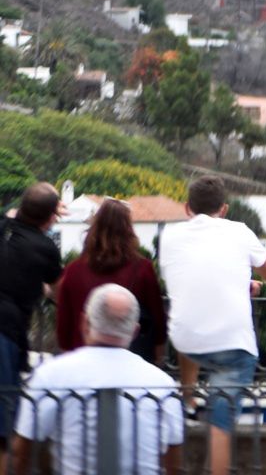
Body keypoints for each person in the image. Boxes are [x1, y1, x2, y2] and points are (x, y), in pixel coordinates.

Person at [158, 174, 266, 475]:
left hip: (185, 341)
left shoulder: (169, 235)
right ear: (223, 209)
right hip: (232, 347)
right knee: (220, 422)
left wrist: (240, 282)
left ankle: (188, 397)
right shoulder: (238, 231)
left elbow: (195, 276)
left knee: (191, 322)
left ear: (187, 207)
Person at [12, 283, 182, 475]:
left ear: (85, 322)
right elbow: (173, 459)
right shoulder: (162, 383)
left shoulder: (51, 375)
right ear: (134, 331)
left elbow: (21, 453)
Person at [0, 183, 62, 475]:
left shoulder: (3, 226)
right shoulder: (45, 247)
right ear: (51, 217)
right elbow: (58, 292)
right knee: (2, 427)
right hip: (5, 331)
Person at [55, 199, 167, 362]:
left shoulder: (73, 271)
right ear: (128, 230)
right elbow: (158, 321)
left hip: (82, 358)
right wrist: (158, 359)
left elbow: (63, 326)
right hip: (130, 360)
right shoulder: (143, 269)